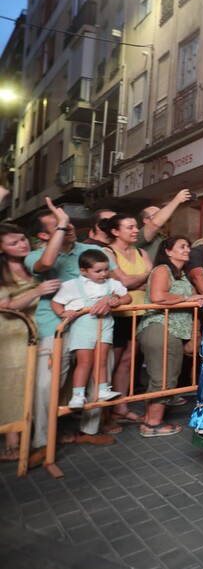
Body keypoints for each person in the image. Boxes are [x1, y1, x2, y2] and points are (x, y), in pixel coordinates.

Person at [27, 197, 121, 448]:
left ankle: (88, 430)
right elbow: (46, 264)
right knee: (47, 384)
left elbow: (113, 284)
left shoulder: (92, 253)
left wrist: (111, 298)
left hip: (94, 325)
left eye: (67, 222)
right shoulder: (36, 255)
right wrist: (62, 222)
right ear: (44, 235)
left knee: (100, 374)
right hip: (55, 328)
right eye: (57, 224)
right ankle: (41, 442)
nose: (66, 226)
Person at [135, 236, 203, 437]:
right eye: (182, 247)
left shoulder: (181, 274)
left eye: (188, 246)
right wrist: (187, 298)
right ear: (168, 251)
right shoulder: (162, 269)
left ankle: (151, 418)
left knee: (166, 376)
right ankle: (152, 424)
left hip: (173, 330)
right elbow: (158, 296)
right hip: (160, 327)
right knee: (163, 378)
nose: (187, 250)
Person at [0, 223, 60, 461]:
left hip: (39, 327)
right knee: (14, 385)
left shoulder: (36, 262)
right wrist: (37, 292)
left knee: (39, 381)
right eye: (13, 243)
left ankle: (37, 433)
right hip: (12, 331)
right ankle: (12, 440)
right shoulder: (3, 271)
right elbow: (4, 305)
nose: (22, 244)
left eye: (23, 239)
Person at [50, 250, 130, 409]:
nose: (103, 274)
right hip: (82, 327)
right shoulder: (72, 285)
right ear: (83, 271)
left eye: (106, 270)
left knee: (101, 360)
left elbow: (127, 297)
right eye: (98, 271)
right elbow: (56, 302)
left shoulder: (112, 284)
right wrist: (63, 313)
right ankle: (77, 395)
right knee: (85, 362)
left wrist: (117, 300)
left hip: (106, 325)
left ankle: (102, 390)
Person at [99, 214, 153, 426]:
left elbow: (151, 280)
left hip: (139, 312)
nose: (135, 230)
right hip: (117, 315)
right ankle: (103, 411)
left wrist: (133, 283)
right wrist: (139, 279)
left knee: (129, 362)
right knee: (109, 363)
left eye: (136, 226)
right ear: (115, 231)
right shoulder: (107, 252)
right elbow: (122, 280)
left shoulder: (142, 251)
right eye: (130, 227)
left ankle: (120, 407)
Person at [137, 189, 193, 260]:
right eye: (156, 214)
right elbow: (155, 223)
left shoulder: (162, 236)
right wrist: (177, 200)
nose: (163, 216)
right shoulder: (139, 235)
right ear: (146, 220)